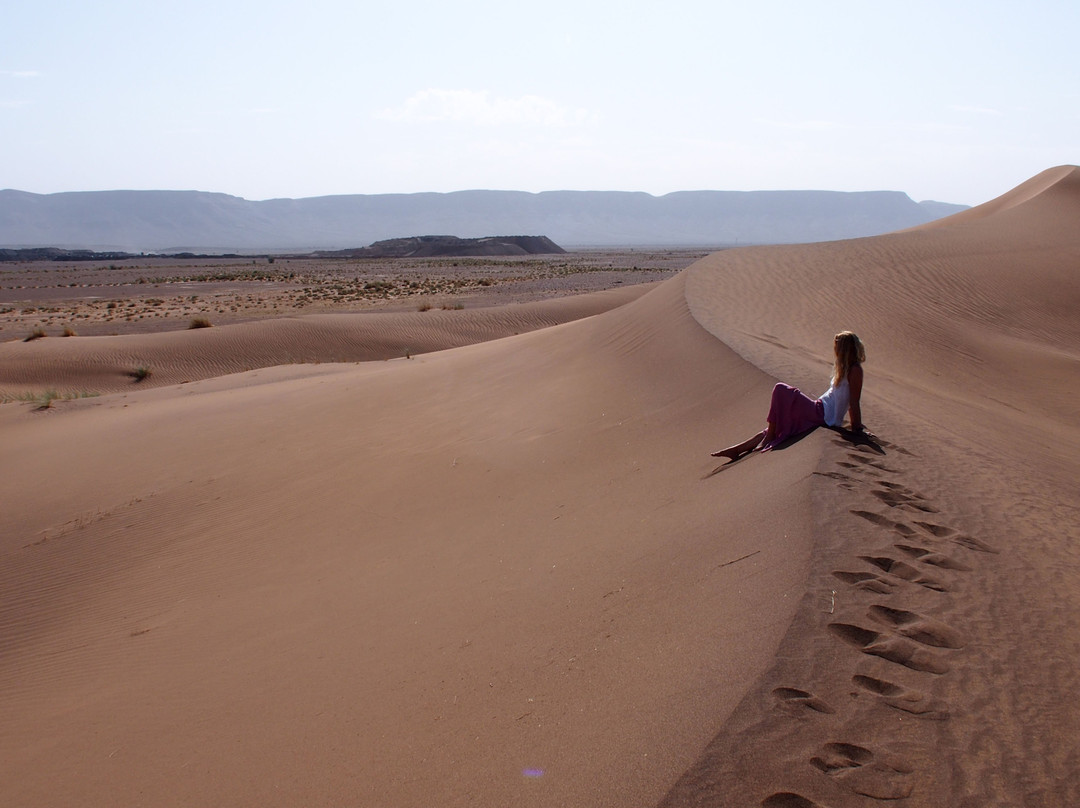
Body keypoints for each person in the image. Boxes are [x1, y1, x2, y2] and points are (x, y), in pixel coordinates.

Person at [711, 331, 868, 461]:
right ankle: (738, 449)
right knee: (780, 422)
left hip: (822, 414)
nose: (836, 351)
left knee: (781, 389)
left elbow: (854, 401)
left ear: (845, 349)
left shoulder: (855, 370)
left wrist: (857, 428)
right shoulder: (845, 369)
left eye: (838, 347)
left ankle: (770, 436)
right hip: (818, 408)